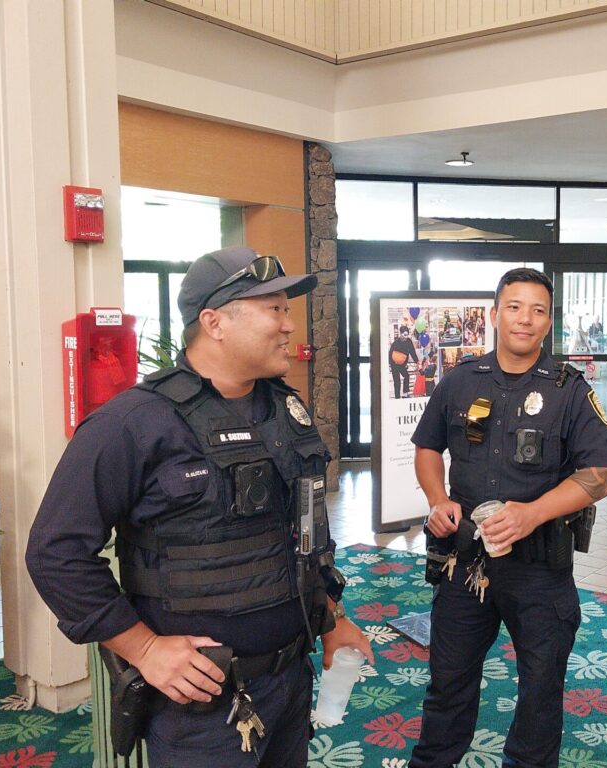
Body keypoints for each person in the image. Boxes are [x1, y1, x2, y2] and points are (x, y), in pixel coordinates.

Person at [26, 246, 372, 766]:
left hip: (290, 680)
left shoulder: (286, 410)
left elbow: (303, 531)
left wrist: (331, 617)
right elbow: (55, 553)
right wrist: (142, 649)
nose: (288, 324)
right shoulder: (134, 423)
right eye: (273, 309)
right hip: (201, 706)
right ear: (214, 322)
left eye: (286, 309)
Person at [409, 267, 607, 768]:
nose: (525, 319)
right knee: (448, 681)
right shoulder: (461, 381)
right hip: (467, 566)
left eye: (538, 310)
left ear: (549, 322)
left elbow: (602, 474)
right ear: (495, 314)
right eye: (515, 307)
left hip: (541, 570)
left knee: (541, 692)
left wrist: (533, 513)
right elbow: (426, 447)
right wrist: (438, 499)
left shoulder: (569, 390)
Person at [389, 325, 419, 398]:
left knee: (406, 376)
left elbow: (413, 352)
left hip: (402, 365)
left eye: (407, 335)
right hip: (394, 365)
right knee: (397, 382)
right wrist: (390, 365)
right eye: (404, 335)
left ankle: (405, 394)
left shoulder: (409, 342)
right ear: (400, 333)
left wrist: (417, 362)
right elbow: (390, 354)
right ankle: (397, 397)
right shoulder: (395, 343)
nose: (406, 336)